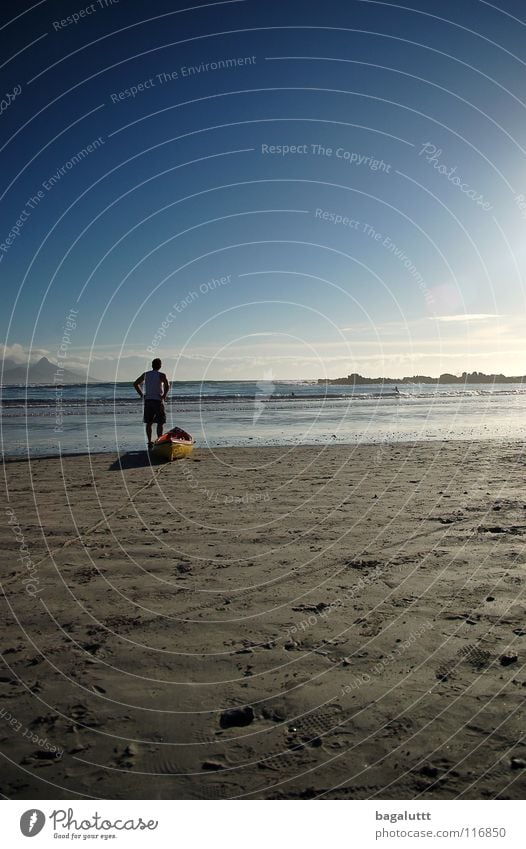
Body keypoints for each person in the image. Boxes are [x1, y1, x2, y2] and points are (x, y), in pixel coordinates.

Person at [133, 358, 170, 448]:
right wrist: (164, 395)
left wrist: (142, 395)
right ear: (160, 365)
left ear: (152, 365)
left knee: (149, 422)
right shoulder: (161, 375)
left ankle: (150, 441)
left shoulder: (146, 374)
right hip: (157, 400)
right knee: (160, 422)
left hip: (148, 400)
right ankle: (159, 440)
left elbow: (135, 383)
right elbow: (167, 385)